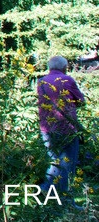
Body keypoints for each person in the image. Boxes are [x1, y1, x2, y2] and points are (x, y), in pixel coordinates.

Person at [38, 55, 86, 205]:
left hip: (46, 127)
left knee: (55, 161)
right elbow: (81, 101)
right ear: (64, 67)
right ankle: (64, 200)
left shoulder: (41, 82)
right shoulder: (67, 80)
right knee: (66, 164)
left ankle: (46, 191)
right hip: (66, 127)